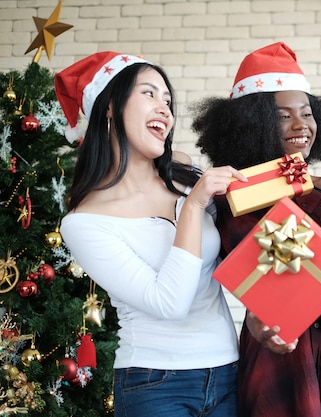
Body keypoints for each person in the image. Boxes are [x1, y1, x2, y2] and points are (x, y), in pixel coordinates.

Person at [191, 42, 321, 417]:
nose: (301, 126)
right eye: (283, 116)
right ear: (252, 124)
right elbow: (262, 279)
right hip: (278, 344)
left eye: (307, 113)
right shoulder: (234, 199)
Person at [55, 51, 246, 417]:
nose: (165, 110)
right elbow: (168, 303)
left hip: (228, 373)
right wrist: (192, 208)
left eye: (168, 100)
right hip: (155, 385)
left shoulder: (186, 178)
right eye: (149, 94)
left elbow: (236, 251)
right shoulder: (85, 222)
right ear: (109, 106)